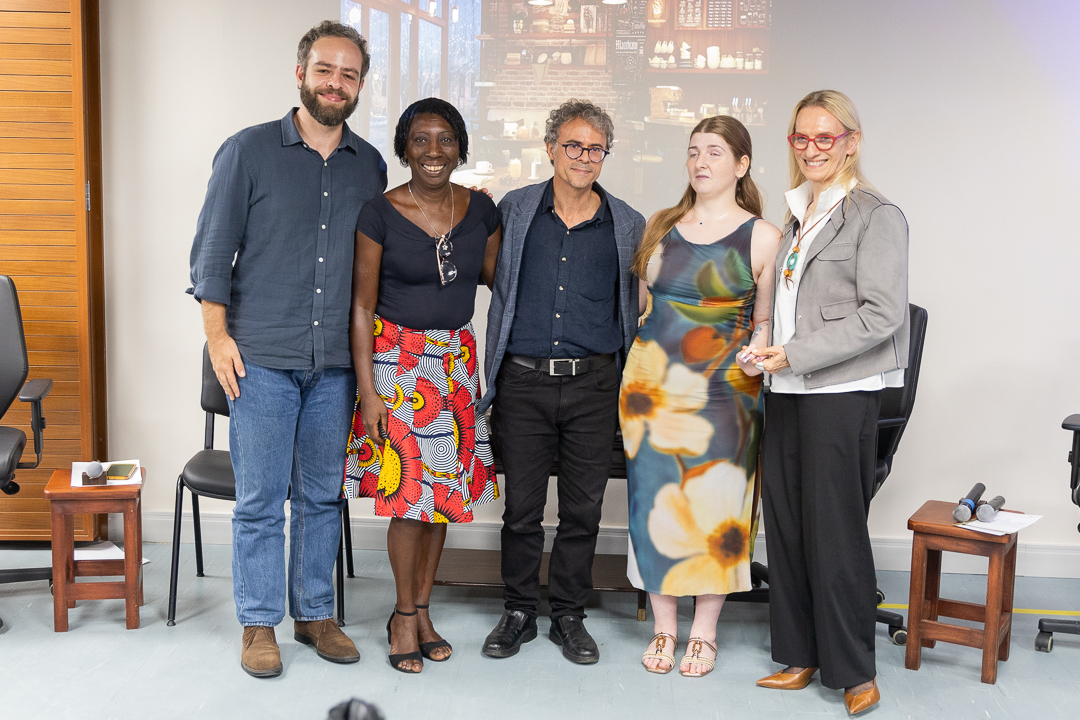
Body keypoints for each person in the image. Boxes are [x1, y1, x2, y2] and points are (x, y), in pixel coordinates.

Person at [188, 21, 386, 677]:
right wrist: (217, 339)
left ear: (360, 85)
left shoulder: (370, 166)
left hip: (335, 366)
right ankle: (258, 624)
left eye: (349, 74)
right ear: (301, 73)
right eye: (325, 70)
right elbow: (212, 255)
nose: (336, 83)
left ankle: (315, 615)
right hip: (262, 361)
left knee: (322, 498)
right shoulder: (247, 152)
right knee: (260, 501)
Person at [745, 90, 909, 715]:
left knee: (835, 533)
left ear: (851, 142)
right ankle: (800, 655)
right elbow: (789, 304)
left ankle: (854, 670)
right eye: (801, 138)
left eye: (825, 137)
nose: (811, 149)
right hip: (785, 390)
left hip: (838, 395)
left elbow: (882, 315)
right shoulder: (796, 214)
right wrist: (765, 350)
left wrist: (794, 354)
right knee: (787, 527)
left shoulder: (875, 215)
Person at [480, 99, 645, 665]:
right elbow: (490, 274)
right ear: (550, 148)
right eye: (573, 145)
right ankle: (519, 611)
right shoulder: (515, 209)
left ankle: (569, 615)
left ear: (605, 155)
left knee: (582, 511)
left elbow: (640, 302)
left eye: (596, 148)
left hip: (595, 388)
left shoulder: (628, 224)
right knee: (521, 510)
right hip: (522, 384)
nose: (583, 157)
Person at [345, 98, 502, 674]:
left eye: (445, 140)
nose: (433, 151)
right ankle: (403, 616)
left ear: (460, 148)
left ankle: (423, 611)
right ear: (404, 148)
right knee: (410, 499)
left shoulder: (481, 211)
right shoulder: (378, 213)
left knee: (442, 503)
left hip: (456, 364)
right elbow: (361, 308)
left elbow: (498, 281)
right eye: (420, 140)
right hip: (398, 367)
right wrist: (368, 392)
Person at [621, 115, 780, 677]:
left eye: (714, 152)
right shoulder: (660, 226)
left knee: (721, 504)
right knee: (653, 500)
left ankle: (705, 632)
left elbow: (765, 322)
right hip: (652, 388)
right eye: (694, 151)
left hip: (727, 392)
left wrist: (756, 351)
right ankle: (665, 628)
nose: (701, 161)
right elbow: (645, 309)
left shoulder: (763, 236)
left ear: (741, 164)